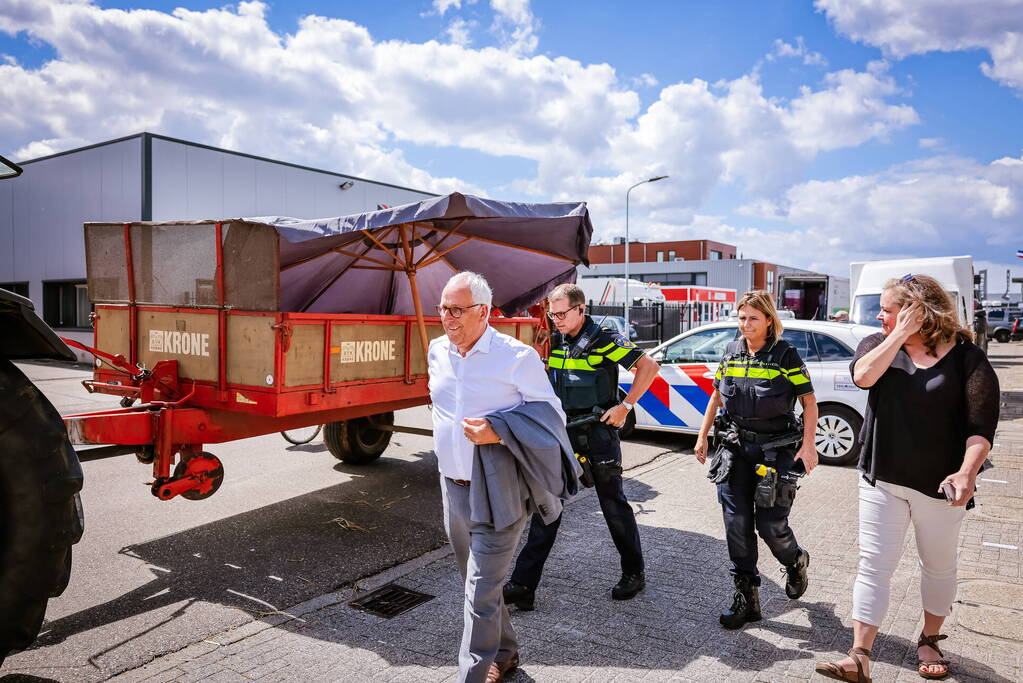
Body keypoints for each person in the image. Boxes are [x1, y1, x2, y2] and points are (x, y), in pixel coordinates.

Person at [815, 274, 999, 683]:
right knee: (873, 565)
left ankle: (930, 640)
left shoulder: (967, 358)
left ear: (919, 310)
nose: (879, 317)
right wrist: (898, 334)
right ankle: (859, 655)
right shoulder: (878, 345)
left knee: (937, 566)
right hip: (882, 478)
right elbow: (863, 377)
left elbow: (981, 428)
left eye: (888, 310)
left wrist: (967, 471)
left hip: (939, 486)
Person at [428, 271, 569, 683]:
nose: (447, 317)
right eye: (443, 308)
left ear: (484, 312)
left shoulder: (516, 357)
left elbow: (552, 418)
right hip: (452, 486)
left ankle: (472, 672)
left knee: (480, 586)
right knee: (475, 582)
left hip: (499, 490)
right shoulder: (437, 350)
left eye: (457, 309)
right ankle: (505, 652)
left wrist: (498, 430)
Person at [503, 283, 660, 609]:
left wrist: (625, 407)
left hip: (598, 434)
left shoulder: (605, 338)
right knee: (548, 507)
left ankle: (634, 573)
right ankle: (523, 585)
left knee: (613, 506)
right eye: (553, 314)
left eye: (562, 314)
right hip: (564, 434)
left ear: (580, 309)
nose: (557, 320)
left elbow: (649, 367)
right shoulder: (555, 339)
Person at [694, 290, 819, 629]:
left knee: (770, 526)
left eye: (753, 318)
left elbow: (809, 402)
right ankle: (746, 599)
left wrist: (809, 446)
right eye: (741, 318)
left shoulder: (786, 355)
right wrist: (702, 436)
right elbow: (717, 395)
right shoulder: (731, 351)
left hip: (775, 452)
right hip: (735, 449)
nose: (745, 324)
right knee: (736, 524)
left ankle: (795, 560)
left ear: (768, 320)